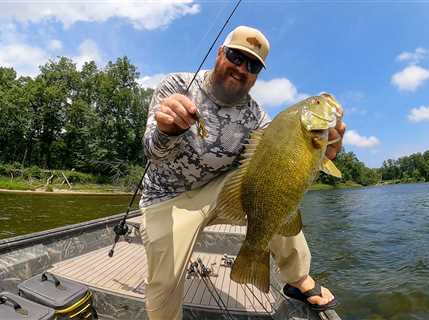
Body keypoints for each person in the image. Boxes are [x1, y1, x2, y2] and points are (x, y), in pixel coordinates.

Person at [140, 25, 346, 320]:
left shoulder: (258, 116)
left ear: (257, 74)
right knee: (164, 283)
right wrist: (166, 130)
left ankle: (298, 277)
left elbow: (286, 165)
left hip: (220, 191)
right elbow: (151, 152)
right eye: (237, 57)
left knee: (275, 191)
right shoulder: (178, 84)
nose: (242, 69)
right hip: (167, 197)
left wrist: (321, 155)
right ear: (220, 53)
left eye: (253, 66)